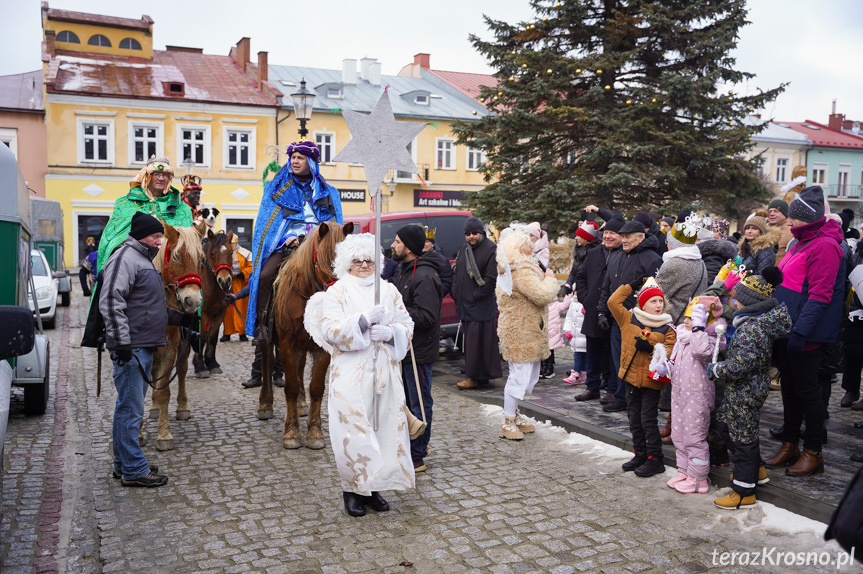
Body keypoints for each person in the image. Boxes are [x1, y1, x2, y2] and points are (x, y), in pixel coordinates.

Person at [316, 233, 415, 517]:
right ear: (346, 263)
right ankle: (353, 490)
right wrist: (360, 321)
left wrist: (391, 333)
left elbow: (407, 324)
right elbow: (329, 330)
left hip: (384, 371)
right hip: (351, 374)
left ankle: (375, 488)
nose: (363, 265)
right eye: (356, 260)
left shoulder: (388, 291)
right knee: (353, 432)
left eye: (368, 260)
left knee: (383, 428)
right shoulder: (337, 292)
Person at [765, 186, 845, 477]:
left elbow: (820, 296)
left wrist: (800, 333)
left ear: (809, 219)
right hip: (789, 329)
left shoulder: (824, 246)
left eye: (795, 218)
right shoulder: (801, 242)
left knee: (808, 393)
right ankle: (790, 444)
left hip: (806, 333)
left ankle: (813, 451)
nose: (789, 222)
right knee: (789, 390)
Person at [709, 268, 790, 509]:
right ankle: (757, 469)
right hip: (743, 388)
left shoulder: (751, 330)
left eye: (737, 296)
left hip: (746, 389)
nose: (733, 298)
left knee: (742, 437)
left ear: (748, 301)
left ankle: (744, 491)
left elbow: (739, 367)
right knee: (725, 423)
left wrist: (716, 370)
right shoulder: (750, 323)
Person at [99, 212, 171, 487]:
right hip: (132, 347)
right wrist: (122, 343)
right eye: (155, 236)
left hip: (140, 344)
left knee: (126, 408)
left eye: (160, 237)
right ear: (141, 234)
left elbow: (145, 305)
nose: (158, 242)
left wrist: (178, 318)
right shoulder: (125, 258)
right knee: (131, 411)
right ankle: (134, 470)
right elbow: (111, 300)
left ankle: (124, 463)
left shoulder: (142, 259)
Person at [246, 141, 343, 344]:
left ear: (311, 161)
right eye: (293, 157)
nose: (295, 161)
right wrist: (284, 237)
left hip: (319, 244)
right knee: (264, 275)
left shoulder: (329, 192)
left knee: (339, 276)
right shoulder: (276, 188)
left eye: (300, 157)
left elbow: (335, 224)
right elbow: (268, 225)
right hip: (288, 244)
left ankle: (340, 321)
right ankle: (262, 325)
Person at [608, 277, 676, 477]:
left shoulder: (667, 327)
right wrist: (630, 285)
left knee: (648, 420)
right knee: (634, 419)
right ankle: (640, 454)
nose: (658, 305)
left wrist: (652, 348)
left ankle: (656, 460)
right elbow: (612, 302)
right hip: (630, 379)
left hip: (651, 381)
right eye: (653, 301)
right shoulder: (629, 319)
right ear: (642, 303)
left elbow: (671, 353)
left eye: (660, 301)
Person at [495, 230, 560, 439]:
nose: (531, 247)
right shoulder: (520, 270)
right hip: (520, 331)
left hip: (527, 330)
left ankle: (513, 414)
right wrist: (550, 279)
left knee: (527, 376)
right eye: (527, 244)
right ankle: (507, 421)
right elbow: (541, 295)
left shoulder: (520, 267)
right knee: (519, 377)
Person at [391, 225, 444, 474]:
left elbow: (427, 316)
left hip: (418, 353)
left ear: (409, 248)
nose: (392, 245)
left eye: (397, 241)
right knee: (407, 401)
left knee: (420, 404)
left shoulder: (424, 276)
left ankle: (418, 456)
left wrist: (397, 313)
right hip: (404, 351)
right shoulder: (404, 271)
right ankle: (412, 446)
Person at [597, 220, 663, 412]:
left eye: (628, 237)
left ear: (640, 237)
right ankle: (620, 396)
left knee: (635, 361)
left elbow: (657, 292)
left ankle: (631, 398)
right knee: (619, 359)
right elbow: (607, 286)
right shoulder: (617, 256)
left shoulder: (652, 258)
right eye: (622, 236)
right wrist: (602, 311)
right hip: (618, 319)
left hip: (639, 320)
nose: (624, 240)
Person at [666, 297, 726, 494]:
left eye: (691, 318)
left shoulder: (710, 338)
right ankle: (684, 471)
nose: (686, 321)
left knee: (694, 437)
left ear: (704, 320)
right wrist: (667, 367)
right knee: (679, 435)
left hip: (697, 395)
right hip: (680, 393)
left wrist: (699, 329)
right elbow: (678, 359)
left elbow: (702, 353)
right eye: (686, 316)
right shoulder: (684, 336)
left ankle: (698, 478)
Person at [97, 156, 194, 273]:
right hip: (132, 267)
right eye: (156, 174)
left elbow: (188, 245)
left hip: (171, 270)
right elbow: (111, 240)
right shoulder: (125, 204)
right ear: (146, 176)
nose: (161, 178)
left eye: (165, 175)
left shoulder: (182, 208)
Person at [574, 217, 626, 401]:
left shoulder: (625, 254)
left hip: (614, 312)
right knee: (593, 351)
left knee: (612, 353)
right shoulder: (594, 253)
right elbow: (580, 276)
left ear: (622, 236)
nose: (608, 236)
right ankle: (592, 386)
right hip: (592, 308)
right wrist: (584, 297)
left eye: (613, 233)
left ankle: (612, 389)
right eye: (606, 233)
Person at [452, 217, 502, 389]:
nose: (471, 237)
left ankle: (474, 377)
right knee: (474, 344)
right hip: (466, 306)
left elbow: (490, 280)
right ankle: (479, 376)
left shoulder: (491, 250)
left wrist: (474, 296)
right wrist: (456, 292)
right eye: (467, 234)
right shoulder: (464, 248)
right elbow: (457, 273)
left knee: (479, 345)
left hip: (480, 306)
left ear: (481, 233)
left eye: (474, 233)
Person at [222, 235, 252, 342]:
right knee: (228, 310)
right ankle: (227, 332)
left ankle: (242, 332)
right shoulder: (224, 253)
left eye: (233, 243)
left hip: (240, 285)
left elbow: (251, 266)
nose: (231, 246)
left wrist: (243, 274)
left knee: (241, 308)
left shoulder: (245, 253)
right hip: (228, 285)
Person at [738, 210, 780, 276]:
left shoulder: (766, 251)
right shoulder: (744, 247)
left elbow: (762, 278)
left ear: (761, 232)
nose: (749, 231)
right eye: (747, 228)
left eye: (754, 228)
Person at [562, 296, 587, 385]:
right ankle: (578, 373)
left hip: (585, 335)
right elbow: (568, 318)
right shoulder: (573, 304)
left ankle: (579, 373)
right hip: (576, 336)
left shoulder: (587, 302)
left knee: (584, 356)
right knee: (578, 354)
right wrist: (567, 330)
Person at [767, 198, 792, 266]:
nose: (772, 214)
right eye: (770, 211)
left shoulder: (790, 231)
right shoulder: (764, 229)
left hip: (779, 273)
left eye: (776, 211)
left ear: (785, 213)